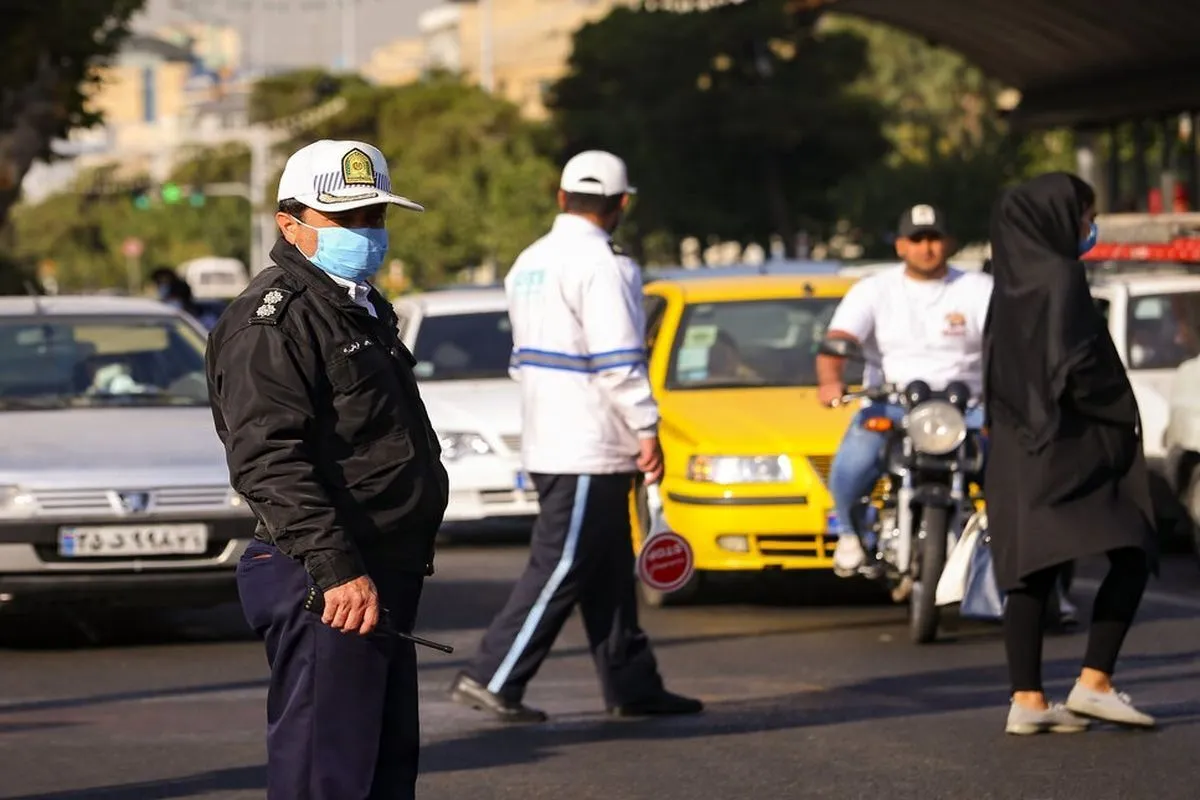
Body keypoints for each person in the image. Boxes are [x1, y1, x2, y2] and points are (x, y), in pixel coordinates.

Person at [205, 139, 449, 798]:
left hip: (378, 568)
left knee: (381, 769)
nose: (365, 232)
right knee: (327, 772)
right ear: (290, 225)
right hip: (328, 576)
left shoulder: (355, 304)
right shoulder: (273, 321)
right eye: (345, 219)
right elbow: (268, 459)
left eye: (374, 217)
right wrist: (336, 568)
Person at [448, 150, 703, 723]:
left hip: (551, 436)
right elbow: (618, 362)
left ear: (562, 198)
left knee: (608, 570)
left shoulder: (530, 260)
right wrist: (646, 427)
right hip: (591, 444)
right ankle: (492, 675)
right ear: (622, 204)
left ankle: (632, 684)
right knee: (562, 563)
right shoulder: (606, 266)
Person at [984, 172, 1158, 735]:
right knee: (1134, 546)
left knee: (1032, 571)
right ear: (1057, 218)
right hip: (1070, 447)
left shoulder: (1008, 284)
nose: (1089, 227)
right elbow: (1077, 366)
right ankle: (1094, 683)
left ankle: (1028, 700)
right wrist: (1119, 410)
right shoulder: (1062, 277)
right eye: (1085, 216)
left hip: (1019, 449)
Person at [816, 205, 994, 576]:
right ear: (900, 246)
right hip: (893, 405)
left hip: (968, 408)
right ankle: (850, 533)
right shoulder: (873, 290)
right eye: (917, 239)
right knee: (853, 461)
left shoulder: (980, 289)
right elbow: (838, 340)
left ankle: (1007, 545)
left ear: (949, 243)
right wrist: (831, 381)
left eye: (934, 238)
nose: (926, 247)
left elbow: (1009, 344)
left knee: (1011, 466)